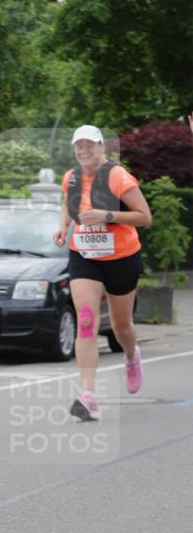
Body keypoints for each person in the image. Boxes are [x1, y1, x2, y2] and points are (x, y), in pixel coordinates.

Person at [54, 125, 152, 421]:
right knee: (86, 318)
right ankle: (88, 395)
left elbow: (144, 217)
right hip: (84, 255)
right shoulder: (70, 177)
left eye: (90, 145)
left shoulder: (118, 177)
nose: (84, 150)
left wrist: (107, 216)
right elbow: (68, 205)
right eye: (79, 146)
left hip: (122, 257)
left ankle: (131, 356)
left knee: (122, 326)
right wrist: (63, 226)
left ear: (102, 148)